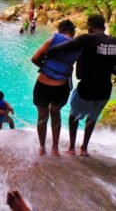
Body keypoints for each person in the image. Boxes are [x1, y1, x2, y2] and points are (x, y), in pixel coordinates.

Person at [47, 15, 116, 157]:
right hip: (104, 91)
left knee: (74, 117)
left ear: (89, 27)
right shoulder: (115, 42)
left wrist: (49, 52)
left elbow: (63, 48)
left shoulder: (86, 39)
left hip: (86, 89)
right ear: (104, 27)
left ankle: (72, 148)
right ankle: (84, 148)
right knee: (92, 118)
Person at [31, 19, 79, 156]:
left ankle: (41, 147)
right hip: (61, 87)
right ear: (72, 32)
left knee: (42, 116)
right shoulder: (77, 46)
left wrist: (45, 68)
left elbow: (34, 58)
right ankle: (55, 148)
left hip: (42, 84)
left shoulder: (52, 40)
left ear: (60, 31)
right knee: (55, 114)